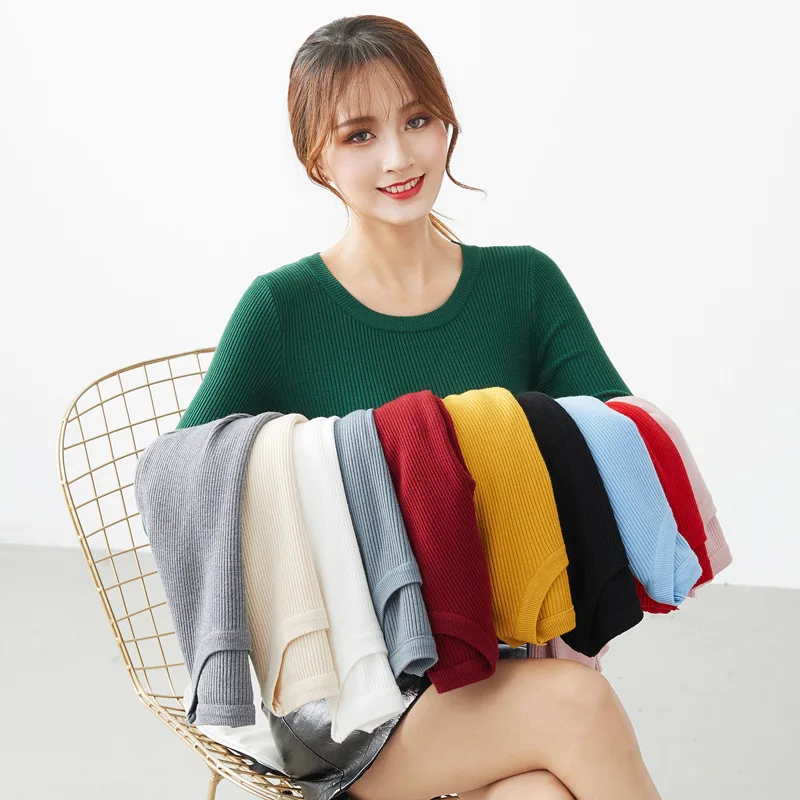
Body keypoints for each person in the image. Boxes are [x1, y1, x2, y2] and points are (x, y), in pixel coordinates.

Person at [175, 14, 662, 800]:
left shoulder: (524, 285)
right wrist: (333, 457)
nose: (399, 157)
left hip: (492, 668)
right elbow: (186, 481)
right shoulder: (282, 308)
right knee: (580, 706)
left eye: (417, 120)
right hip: (350, 699)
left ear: (446, 125)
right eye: (359, 135)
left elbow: (618, 437)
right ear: (318, 159)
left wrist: (501, 440)